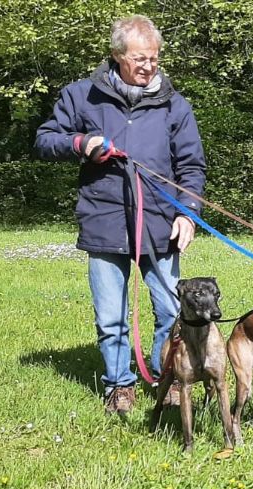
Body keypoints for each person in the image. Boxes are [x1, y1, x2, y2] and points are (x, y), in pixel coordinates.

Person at [35, 15, 206, 415]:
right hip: (104, 220)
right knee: (112, 317)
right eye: (140, 58)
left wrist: (189, 213)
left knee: (169, 309)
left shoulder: (174, 105)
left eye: (155, 58)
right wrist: (81, 142)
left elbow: (192, 167)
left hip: (162, 221)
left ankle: (170, 379)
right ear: (116, 56)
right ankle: (119, 386)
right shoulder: (82, 96)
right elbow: (45, 139)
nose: (149, 66)